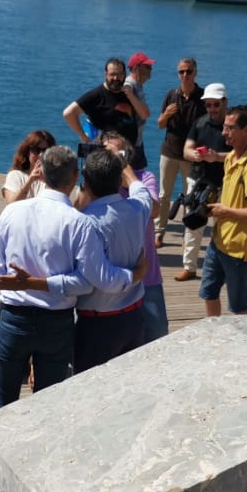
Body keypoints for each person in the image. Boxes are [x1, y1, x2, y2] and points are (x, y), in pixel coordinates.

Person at [0, 145, 145, 411]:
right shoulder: (78, 222)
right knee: (49, 408)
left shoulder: (12, 212)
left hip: (12, 317)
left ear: (41, 173)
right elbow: (86, 281)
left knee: (1, 405)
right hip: (56, 323)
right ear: (75, 176)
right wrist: (134, 275)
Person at [72, 147, 153, 372]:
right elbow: (141, 190)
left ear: (86, 183)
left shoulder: (86, 223)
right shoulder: (137, 209)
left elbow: (104, 279)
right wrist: (125, 167)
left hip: (98, 325)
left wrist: (135, 275)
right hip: (135, 317)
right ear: (119, 181)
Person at [99, 129, 167, 343]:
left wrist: (128, 178)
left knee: (157, 335)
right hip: (113, 277)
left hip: (147, 277)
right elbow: (79, 210)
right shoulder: (97, 185)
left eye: (117, 155)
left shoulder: (145, 178)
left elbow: (154, 210)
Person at [201, 104, 247, 317]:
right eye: (224, 127)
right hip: (219, 240)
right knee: (208, 292)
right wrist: (213, 156)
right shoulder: (232, 156)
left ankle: (239, 344)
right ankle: (212, 334)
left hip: (238, 249)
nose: (224, 133)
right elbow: (227, 157)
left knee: (238, 307)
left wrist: (225, 211)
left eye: (230, 128)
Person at [175, 84, 230, 282]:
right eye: (208, 105)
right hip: (198, 181)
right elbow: (186, 150)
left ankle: (222, 268)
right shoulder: (200, 123)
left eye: (216, 104)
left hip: (224, 184)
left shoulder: (232, 126)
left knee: (223, 227)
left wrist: (217, 157)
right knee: (193, 224)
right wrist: (195, 155)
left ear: (225, 102)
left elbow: (241, 154)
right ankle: (189, 267)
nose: (212, 109)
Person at [62, 58, 149, 169]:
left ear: (124, 75)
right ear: (105, 74)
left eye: (119, 74)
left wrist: (130, 96)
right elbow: (68, 113)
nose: (116, 78)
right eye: (112, 74)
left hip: (129, 154)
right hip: (105, 157)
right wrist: (83, 136)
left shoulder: (129, 92)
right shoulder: (97, 95)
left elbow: (145, 114)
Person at [155, 57, 202, 245]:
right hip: (169, 152)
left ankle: (187, 235)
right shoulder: (171, 95)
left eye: (189, 71)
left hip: (191, 156)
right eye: (181, 72)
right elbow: (160, 124)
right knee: (164, 195)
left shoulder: (203, 97)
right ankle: (159, 232)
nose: (185, 75)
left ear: (195, 72)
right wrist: (166, 115)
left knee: (190, 197)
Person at [2, 129, 55, 204]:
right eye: (36, 150)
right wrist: (30, 181)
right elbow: (11, 205)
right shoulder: (16, 176)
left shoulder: (56, 178)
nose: (41, 155)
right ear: (27, 152)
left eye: (46, 151)